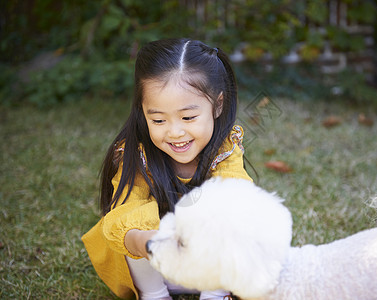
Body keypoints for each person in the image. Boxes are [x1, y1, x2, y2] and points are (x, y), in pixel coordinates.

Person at [82, 38, 253, 300]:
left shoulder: (225, 149)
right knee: (121, 230)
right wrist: (148, 242)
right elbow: (127, 209)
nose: (175, 132)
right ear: (143, 111)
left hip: (213, 264)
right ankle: (154, 294)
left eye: (188, 117)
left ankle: (215, 294)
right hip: (157, 267)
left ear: (218, 105)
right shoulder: (137, 155)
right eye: (158, 119)